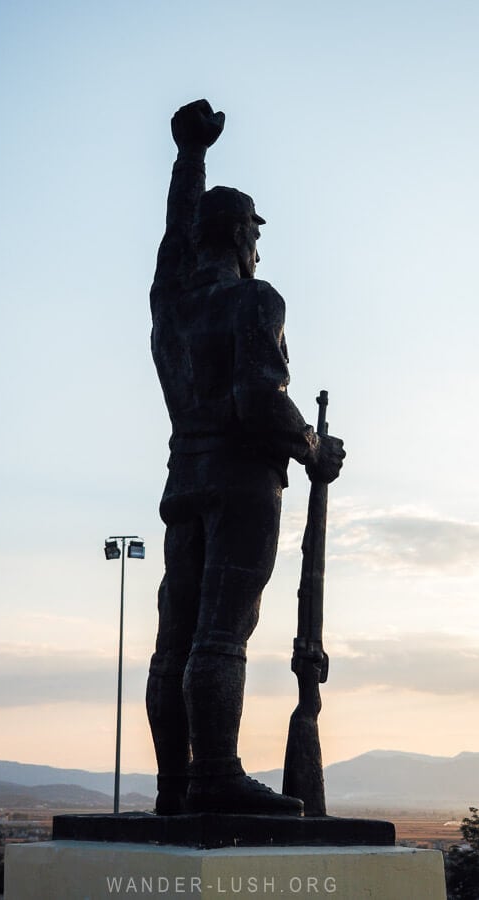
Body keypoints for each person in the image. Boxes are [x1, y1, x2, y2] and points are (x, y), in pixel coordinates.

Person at [146, 99, 345, 816]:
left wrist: (189, 156)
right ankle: (215, 775)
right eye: (254, 234)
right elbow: (259, 401)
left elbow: (175, 234)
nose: (258, 249)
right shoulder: (256, 301)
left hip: (184, 480)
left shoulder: (169, 303)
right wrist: (316, 450)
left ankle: (175, 786)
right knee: (221, 632)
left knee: (176, 639)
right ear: (240, 235)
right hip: (239, 481)